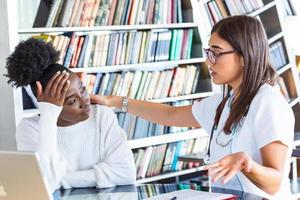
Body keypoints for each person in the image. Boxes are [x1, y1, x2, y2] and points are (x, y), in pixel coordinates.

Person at [91, 15, 295, 199]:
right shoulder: (225, 101)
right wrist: (113, 101)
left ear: (243, 57)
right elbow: (169, 115)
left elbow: (274, 183)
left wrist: (246, 164)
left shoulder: (268, 103)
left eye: (216, 53)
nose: (209, 61)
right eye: (208, 52)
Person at [5, 38, 136, 193]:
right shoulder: (29, 128)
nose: (85, 101)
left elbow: (126, 173)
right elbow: (44, 184)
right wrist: (48, 115)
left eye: (82, 89)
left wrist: (62, 180)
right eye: (72, 100)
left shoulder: (102, 116)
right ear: (49, 105)